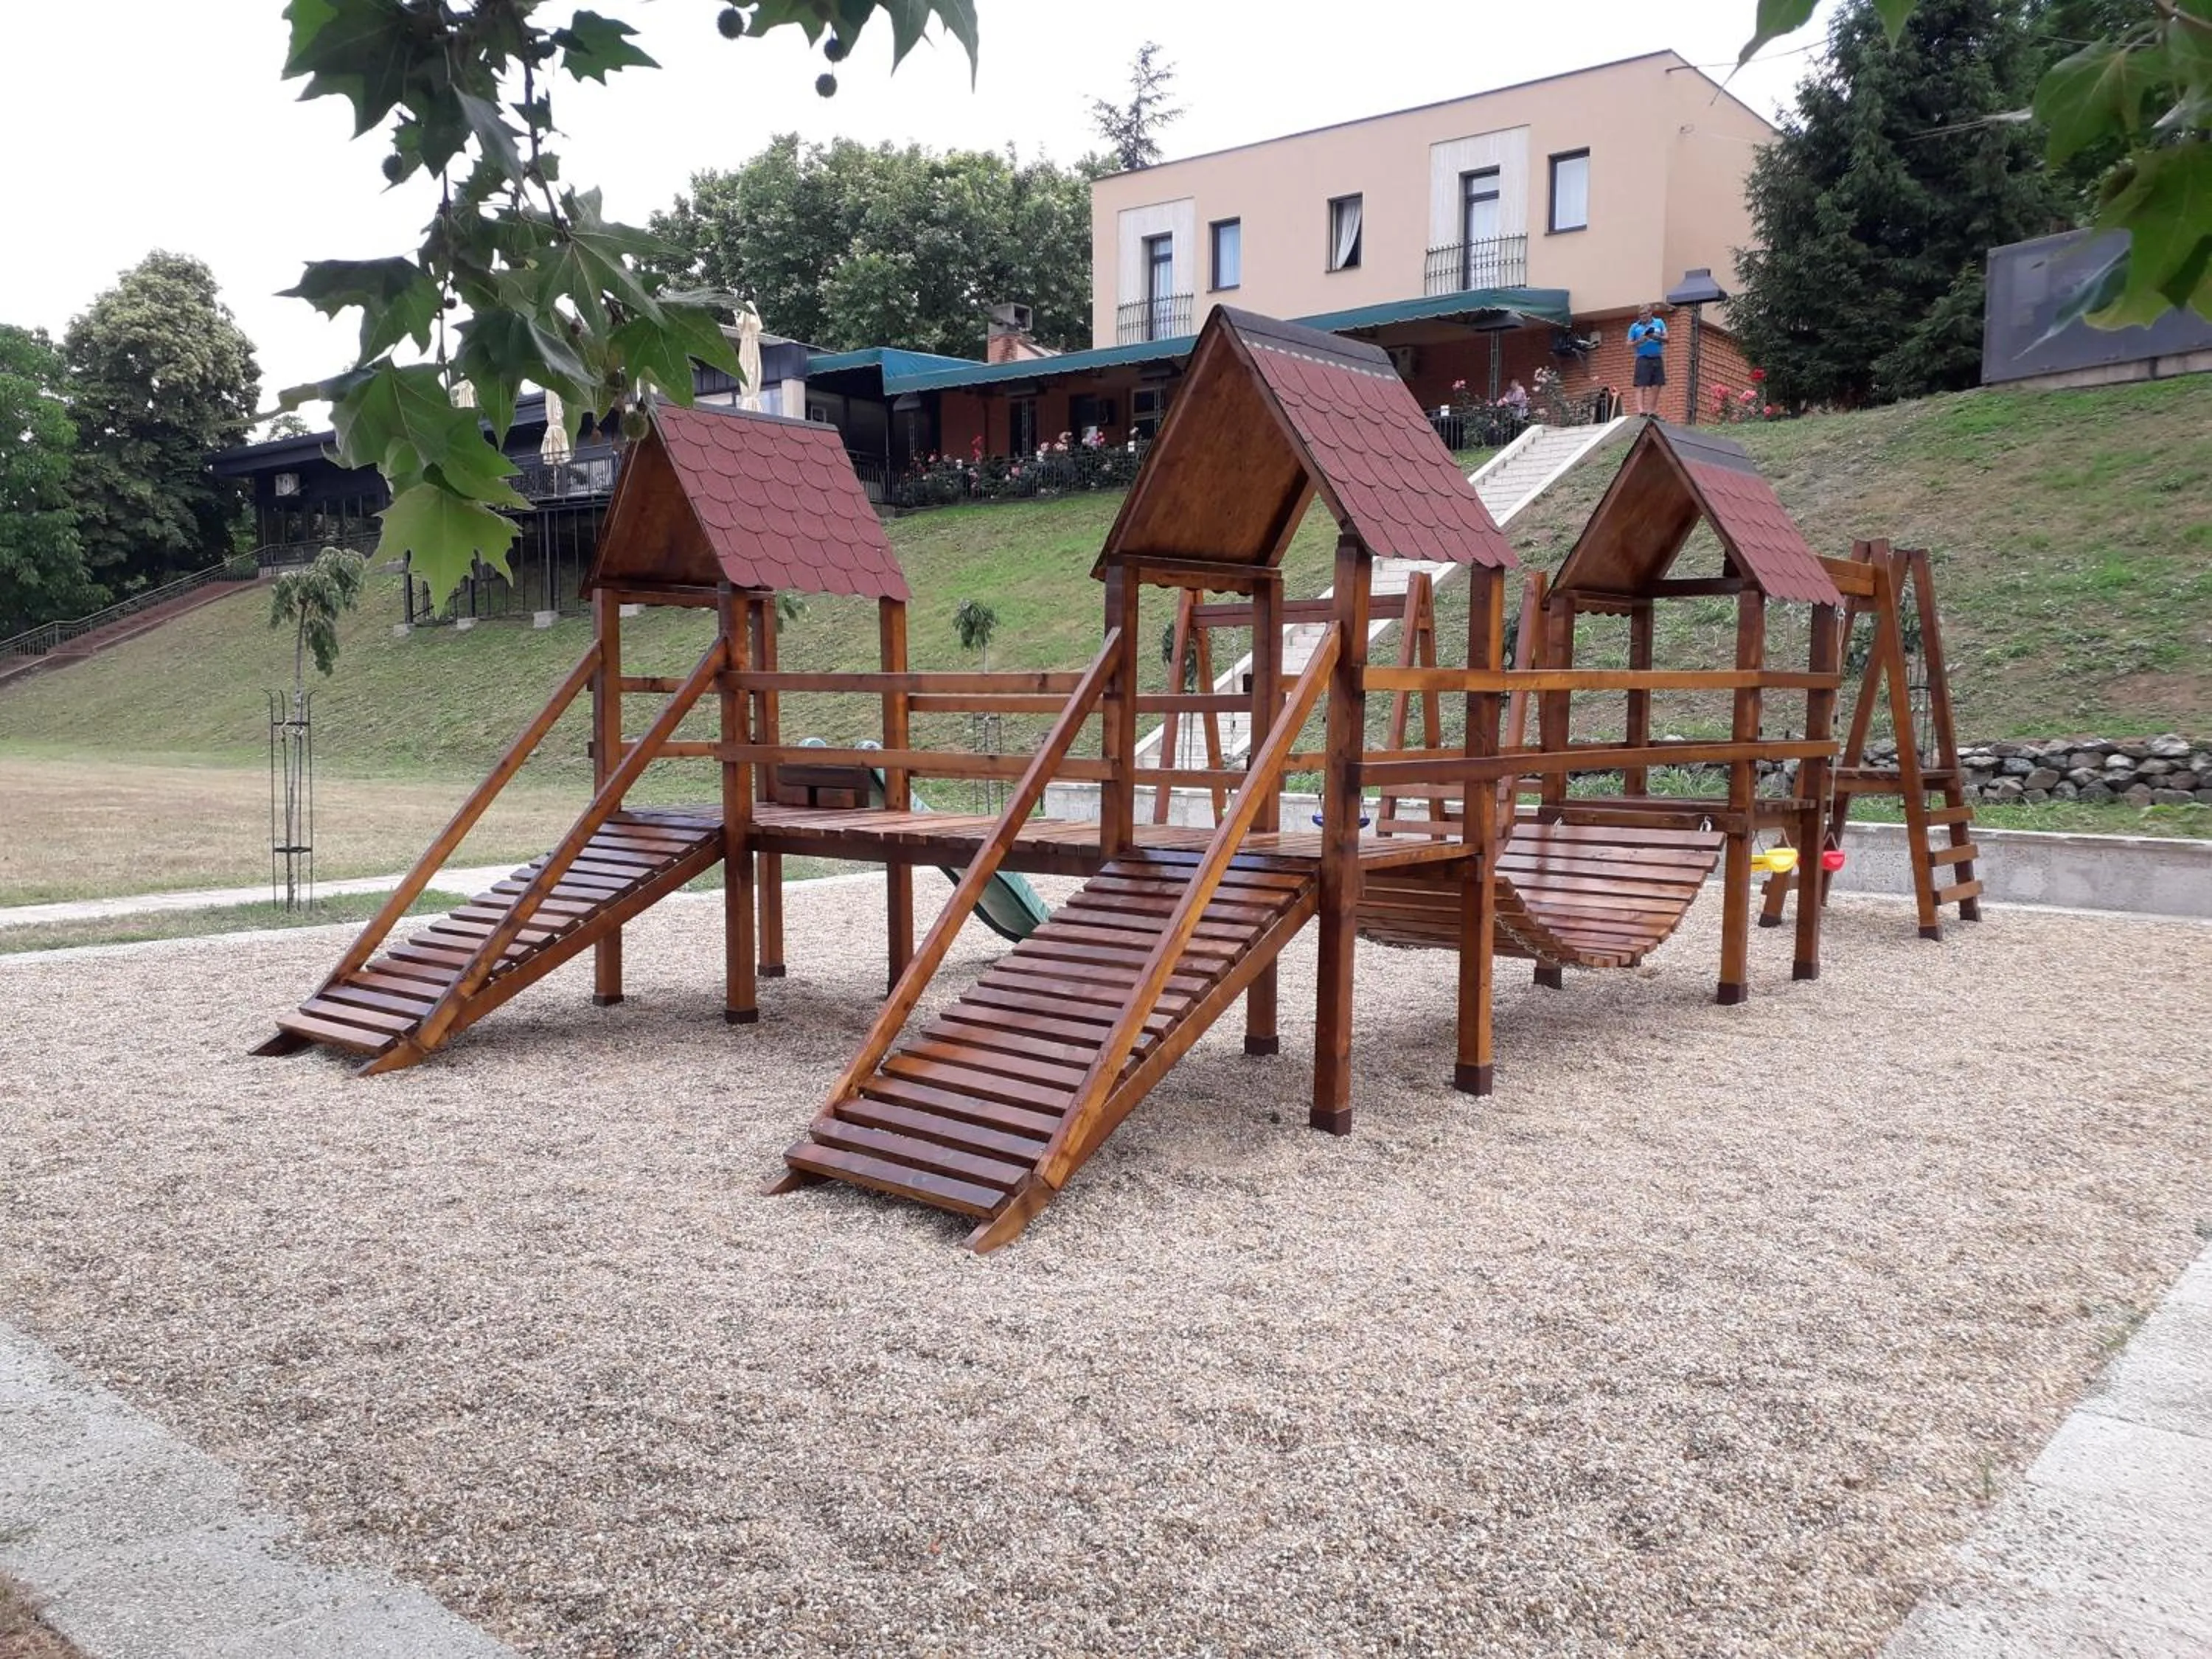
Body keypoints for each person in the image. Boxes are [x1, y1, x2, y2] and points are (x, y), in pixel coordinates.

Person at [1627, 303, 1669, 417]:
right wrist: (1640, 341)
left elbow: (1667, 339)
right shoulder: (1635, 327)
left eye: (1645, 314)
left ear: (1650, 313)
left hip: (1656, 357)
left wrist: (1656, 337)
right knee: (1641, 385)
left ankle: (1652, 411)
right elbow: (1629, 344)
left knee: (1656, 385)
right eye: (1641, 314)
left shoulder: (1659, 323)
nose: (1643, 316)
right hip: (1642, 358)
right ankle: (1641, 410)